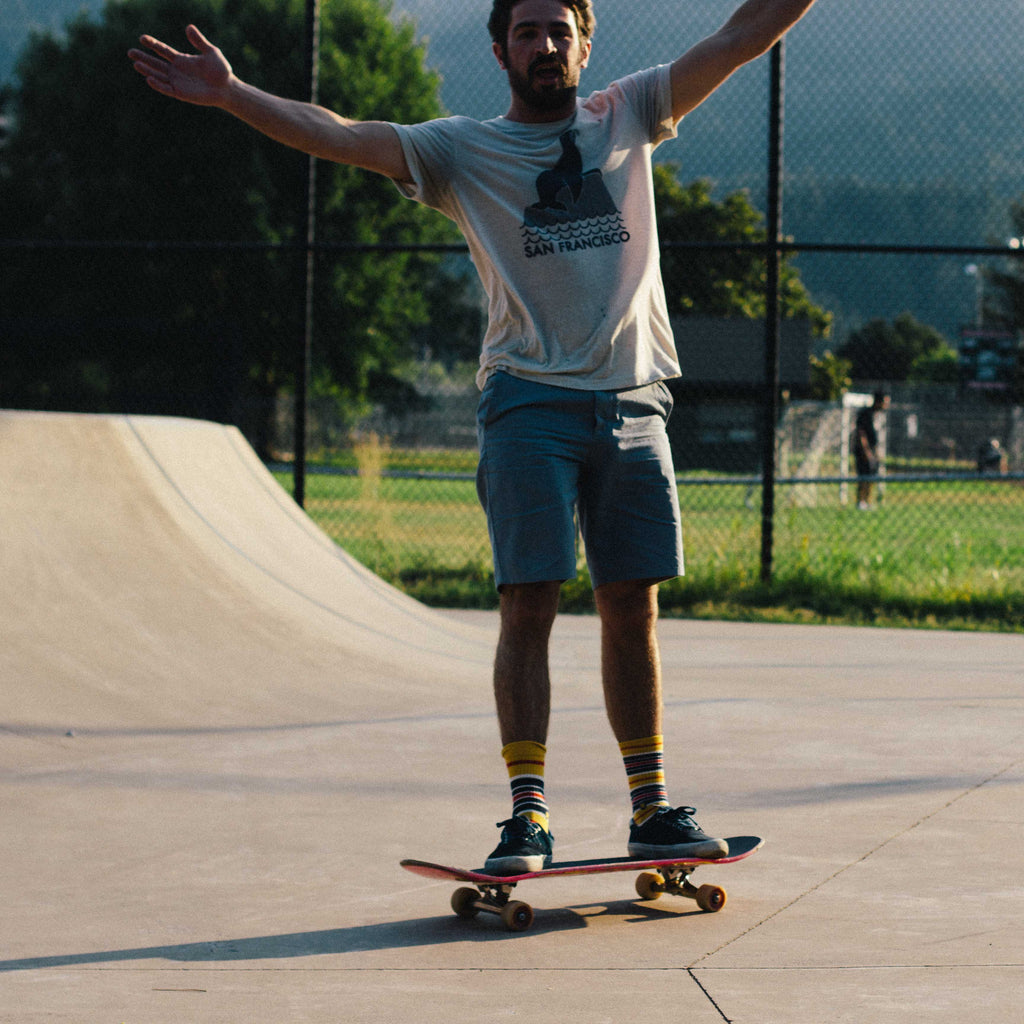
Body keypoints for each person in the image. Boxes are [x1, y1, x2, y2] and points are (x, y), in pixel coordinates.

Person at [129, 0, 819, 874]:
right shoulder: (459, 149)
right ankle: (527, 815)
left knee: (630, 606)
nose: (543, 46)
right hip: (527, 401)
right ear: (500, 50)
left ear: (585, 42)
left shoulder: (632, 111)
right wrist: (235, 96)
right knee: (529, 601)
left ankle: (651, 810)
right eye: (526, 32)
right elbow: (338, 133)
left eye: (558, 31)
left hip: (635, 404)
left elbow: (739, 36)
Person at [853, 390, 888, 510]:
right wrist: (867, 452)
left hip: (872, 449)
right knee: (863, 475)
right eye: (884, 402)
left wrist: (876, 452)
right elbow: (861, 434)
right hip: (863, 451)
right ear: (878, 401)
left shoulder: (878, 415)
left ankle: (867, 501)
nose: (886, 405)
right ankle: (860, 501)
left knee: (872, 475)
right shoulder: (865, 414)